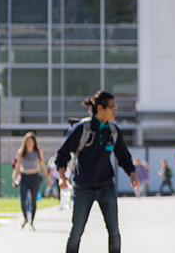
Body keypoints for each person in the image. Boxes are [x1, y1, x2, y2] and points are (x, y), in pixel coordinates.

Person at [55, 91, 138, 253]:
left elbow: (123, 155)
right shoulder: (82, 129)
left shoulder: (113, 131)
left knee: (114, 231)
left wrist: (132, 173)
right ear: (100, 108)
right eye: (112, 107)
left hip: (106, 186)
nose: (115, 110)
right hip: (82, 188)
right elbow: (62, 153)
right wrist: (61, 176)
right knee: (76, 232)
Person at [12, 132, 52, 231]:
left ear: (34, 142)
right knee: (23, 199)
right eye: (28, 141)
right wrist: (15, 179)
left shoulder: (38, 152)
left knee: (33, 200)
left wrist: (48, 178)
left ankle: (32, 222)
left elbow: (42, 165)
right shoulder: (21, 152)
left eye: (31, 141)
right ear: (25, 142)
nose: (29, 143)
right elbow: (17, 167)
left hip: (34, 177)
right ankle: (25, 218)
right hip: (24, 177)